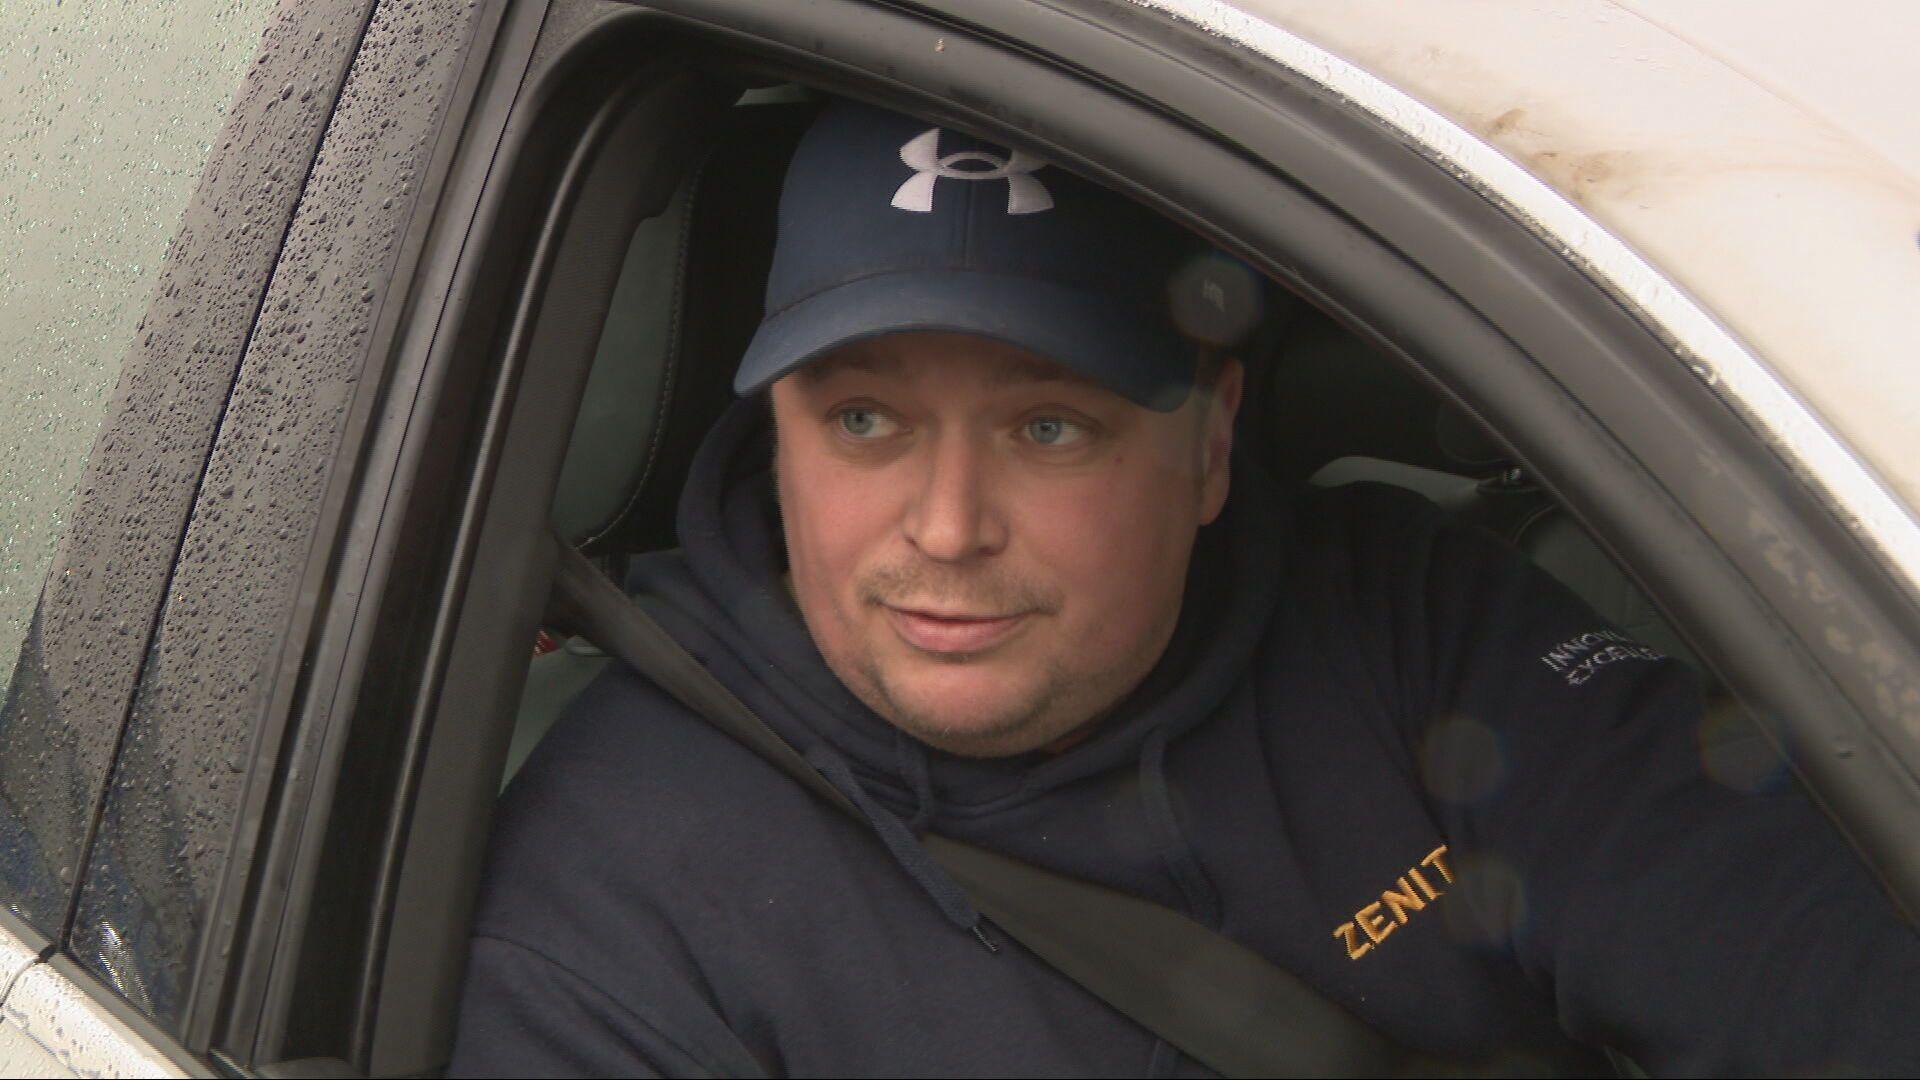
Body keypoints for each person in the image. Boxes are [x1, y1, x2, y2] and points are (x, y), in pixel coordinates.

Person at [450, 100, 1920, 1076]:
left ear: (1209, 445)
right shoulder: (610, 903)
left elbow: (1809, 950)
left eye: (1048, 426)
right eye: (863, 421)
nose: (947, 528)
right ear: (772, 435)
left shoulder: (1402, 620)